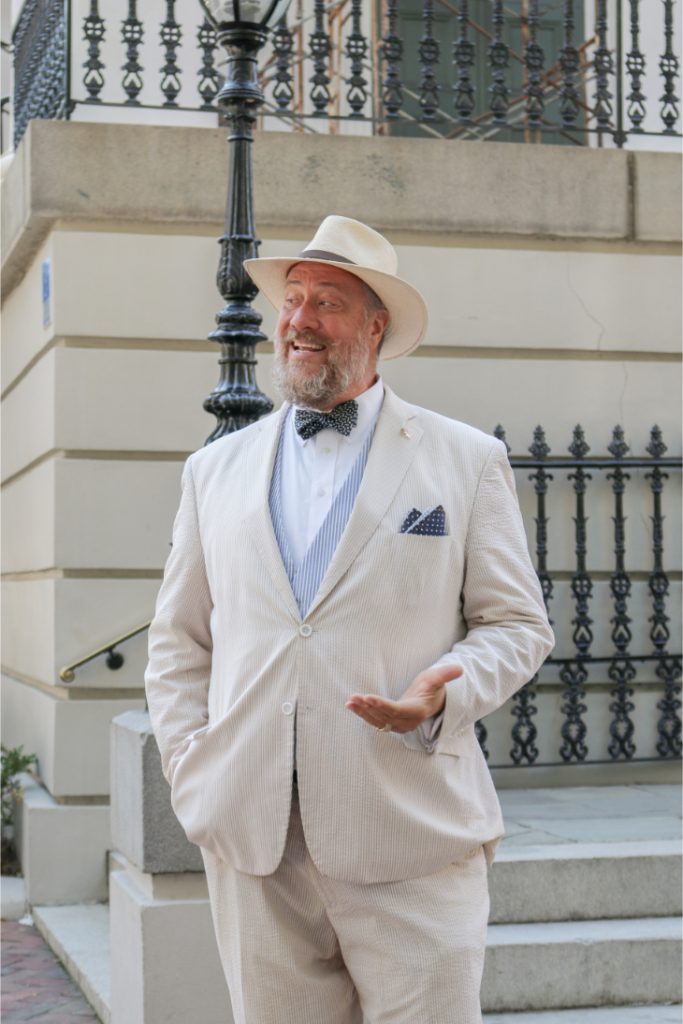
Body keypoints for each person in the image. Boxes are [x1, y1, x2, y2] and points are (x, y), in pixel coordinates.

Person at [145, 215, 554, 1024]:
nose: (298, 321)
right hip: (254, 839)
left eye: (325, 301)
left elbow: (517, 625)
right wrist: (194, 772)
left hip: (407, 831)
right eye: (291, 300)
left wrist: (446, 690)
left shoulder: (464, 459)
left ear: (375, 325)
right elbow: (179, 641)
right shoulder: (213, 470)